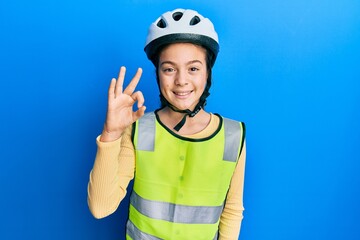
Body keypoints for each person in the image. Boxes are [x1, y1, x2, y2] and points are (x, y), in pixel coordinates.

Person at [87, 8, 246, 240]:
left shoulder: (233, 136)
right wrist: (111, 133)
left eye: (193, 68)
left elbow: (232, 212)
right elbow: (101, 208)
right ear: (158, 74)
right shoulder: (139, 129)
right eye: (169, 69)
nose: (181, 80)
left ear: (207, 73)